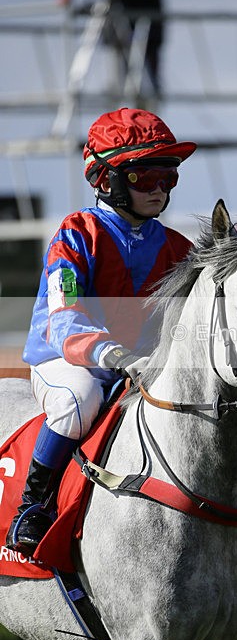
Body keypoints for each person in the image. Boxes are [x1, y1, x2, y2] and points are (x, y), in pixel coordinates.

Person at [6, 107, 196, 557]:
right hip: (66, 361)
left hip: (138, 366)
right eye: (145, 176)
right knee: (79, 400)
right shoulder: (75, 234)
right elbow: (65, 316)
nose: (160, 189)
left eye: (168, 176)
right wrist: (112, 354)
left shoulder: (179, 248)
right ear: (106, 179)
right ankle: (32, 508)